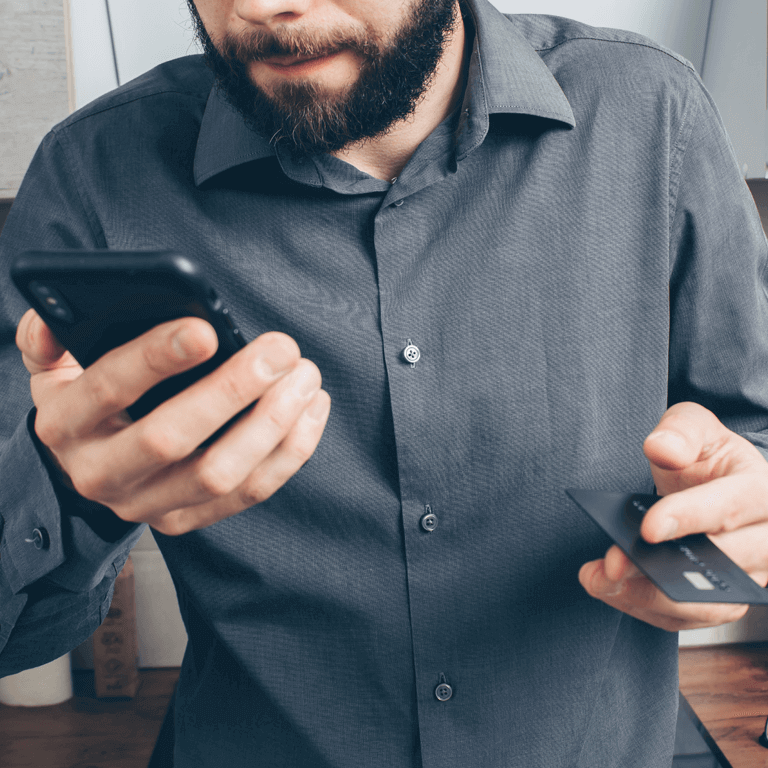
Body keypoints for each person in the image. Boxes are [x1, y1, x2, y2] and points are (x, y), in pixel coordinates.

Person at [1, 0, 768, 765]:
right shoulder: (91, 172)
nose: (265, 6)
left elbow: (755, 437)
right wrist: (71, 497)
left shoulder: (654, 111)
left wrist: (738, 527)